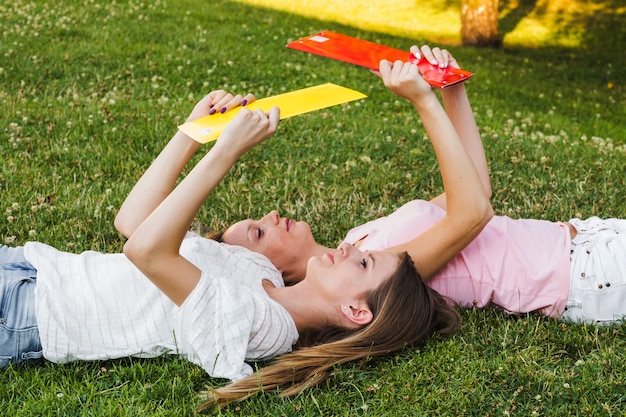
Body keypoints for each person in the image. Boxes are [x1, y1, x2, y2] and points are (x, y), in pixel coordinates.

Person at [1, 84, 461, 400]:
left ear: (356, 312)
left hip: (28, 318)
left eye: (362, 264)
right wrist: (192, 133)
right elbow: (135, 222)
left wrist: (226, 153)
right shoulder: (262, 272)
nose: (347, 249)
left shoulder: (264, 326)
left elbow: (145, 253)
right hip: (36, 267)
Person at [220, 45, 626, 326]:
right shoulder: (374, 278)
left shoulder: (359, 244)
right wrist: (422, 101)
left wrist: (451, 90)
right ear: (268, 268)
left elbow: (475, 189)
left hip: (586, 237)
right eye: (258, 232)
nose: (270, 215)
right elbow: (473, 213)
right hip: (586, 275)